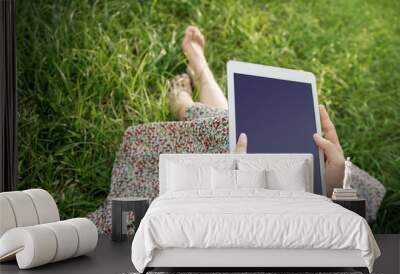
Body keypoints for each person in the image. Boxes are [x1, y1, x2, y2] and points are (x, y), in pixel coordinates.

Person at [88, 26, 385, 233]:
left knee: (228, 132)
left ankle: (189, 100)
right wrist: (333, 186)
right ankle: (198, 86)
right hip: (318, 201)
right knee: (239, 130)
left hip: (281, 208)